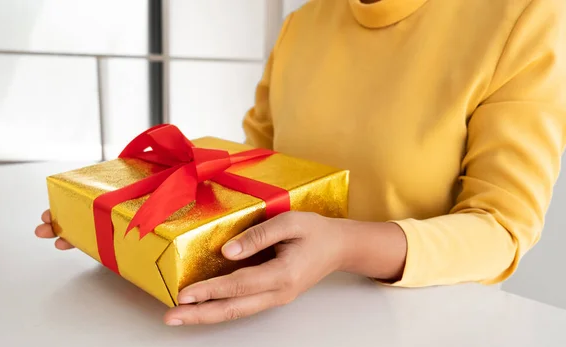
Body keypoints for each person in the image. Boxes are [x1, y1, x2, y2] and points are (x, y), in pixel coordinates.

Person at [36, 0, 566, 325]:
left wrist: (343, 247)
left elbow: (502, 230)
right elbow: (252, 174)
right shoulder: (303, 24)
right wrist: (120, 220)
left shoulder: (525, 16)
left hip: (426, 336)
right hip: (275, 326)